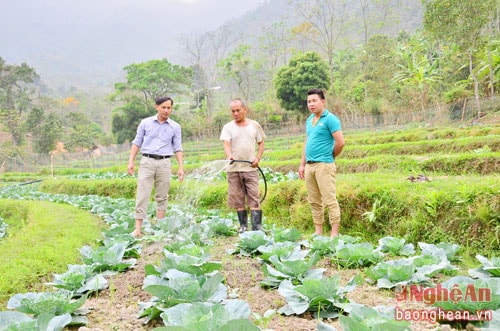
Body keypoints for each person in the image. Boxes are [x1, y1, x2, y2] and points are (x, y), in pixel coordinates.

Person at [127, 96, 184, 237]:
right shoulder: (145, 123)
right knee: (143, 194)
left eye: (169, 108)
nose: (166, 110)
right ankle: (138, 229)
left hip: (165, 162)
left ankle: (160, 227)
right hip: (147, 161)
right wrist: (131, 161)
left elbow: (178, 148)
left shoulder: (175, 127)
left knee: (162, 195)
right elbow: (137, 142)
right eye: (163, 107)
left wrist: (181, 167)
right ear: (156, 107)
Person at [298, 88, 345, 237]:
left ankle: (334, 234)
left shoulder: (330, 119)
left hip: (324, 165)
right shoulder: (309, 120)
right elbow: (306, 142)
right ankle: (318, 232)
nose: (311, 104)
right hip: (310, 166)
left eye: (314, 101)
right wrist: (302, 164)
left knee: (330, 200)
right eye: (309, 102)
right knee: (314, 201)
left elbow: (341, 142)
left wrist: (330, 156)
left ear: (322, 102)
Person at [220, 98, 266, 232]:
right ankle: (243, 226)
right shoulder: (228, 127)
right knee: (237, 197)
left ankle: (257, 226)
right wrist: (229, 156)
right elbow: (226, 144)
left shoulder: (254, 125)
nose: (235, 113)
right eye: (233, 111)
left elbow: (261, 142)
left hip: (250, 168)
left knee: (254, 196)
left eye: (238, 110)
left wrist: (257, 158)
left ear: (245, 110)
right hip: (233, 169)